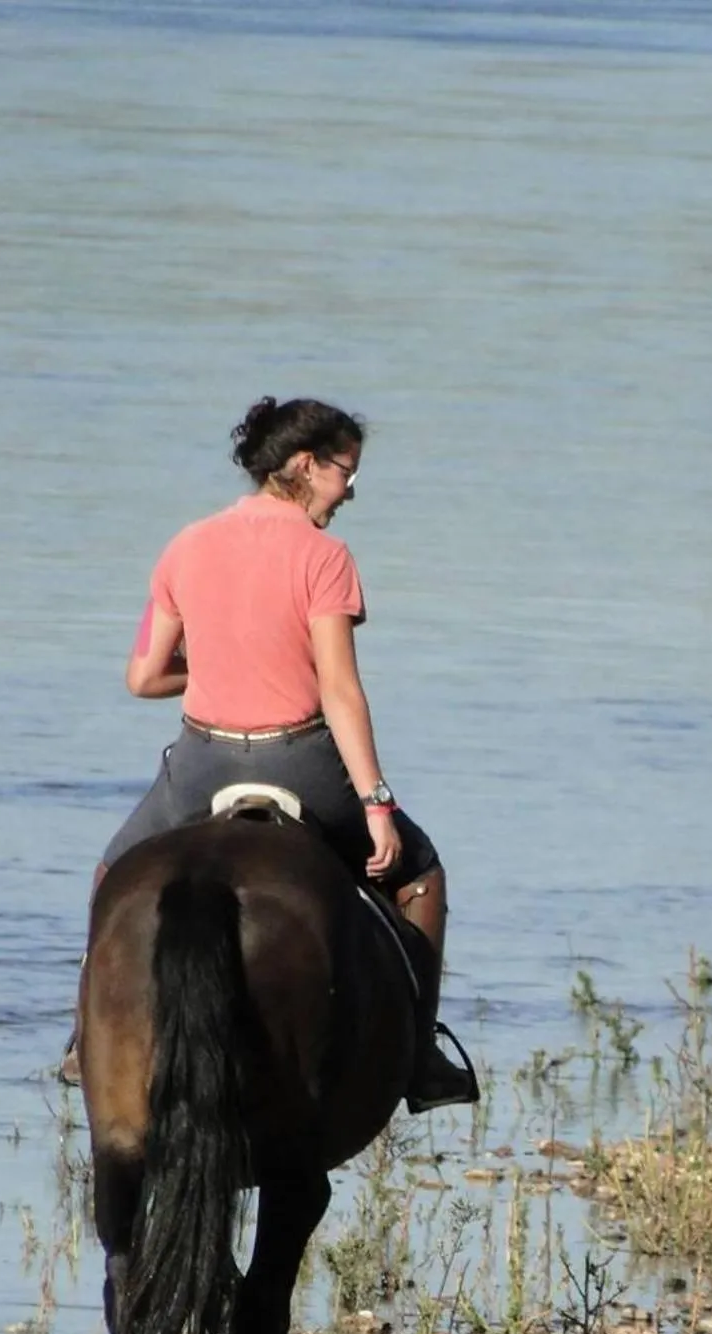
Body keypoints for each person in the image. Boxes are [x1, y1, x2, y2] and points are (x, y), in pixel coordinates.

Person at [60, 396, 478, 1113]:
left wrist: (223, 665)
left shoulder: (187, 544)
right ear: (308, 465)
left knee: (111, 875)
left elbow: (144, 677)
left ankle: (82, 1043)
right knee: (421, 876)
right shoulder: (325, 557)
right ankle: (420, 1058)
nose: (350, 492)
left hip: (201, 765)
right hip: (300, 764)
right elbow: (341, 693)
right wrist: (377, 804)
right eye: (348, 473)